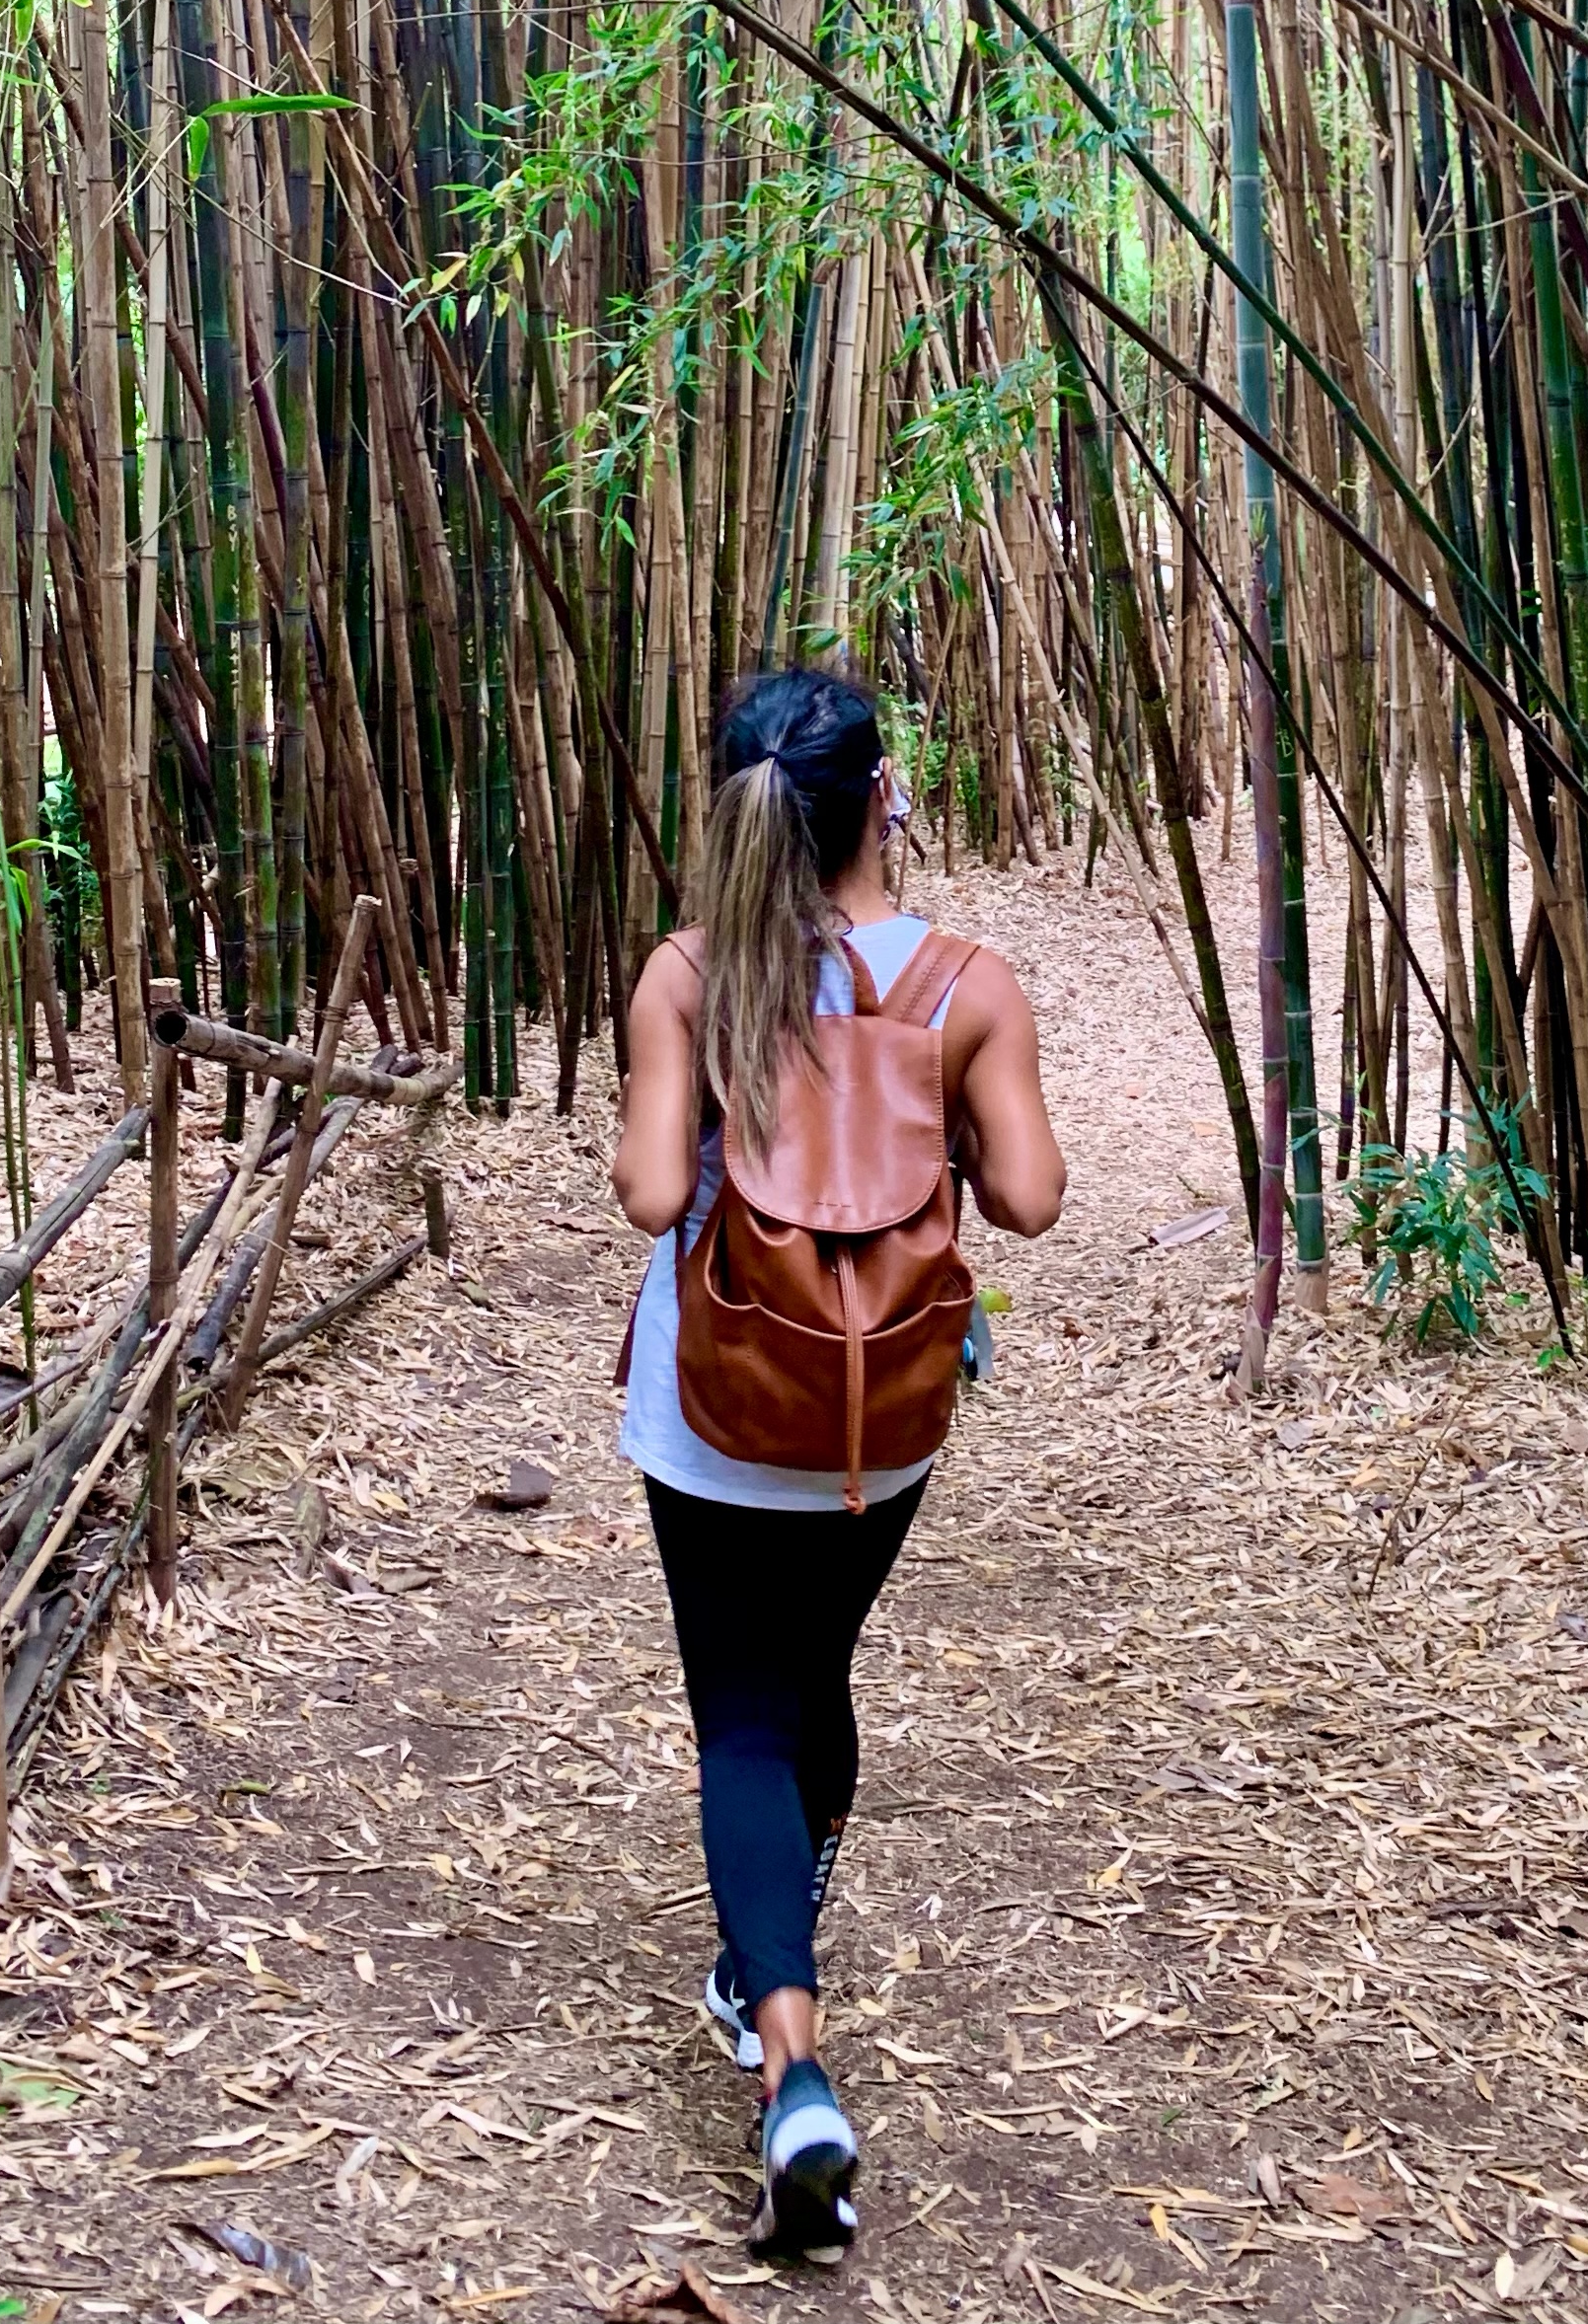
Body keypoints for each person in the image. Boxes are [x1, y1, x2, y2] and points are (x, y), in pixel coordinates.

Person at [613, 666, 1066, 2256]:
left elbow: (652, 1192)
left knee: (743, 1717)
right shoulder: (966, 981)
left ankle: (788, 2063)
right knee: (814, 1679)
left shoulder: (690, 974)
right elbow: (1030, 1199)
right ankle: (769, 1957)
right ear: (882, 798)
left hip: (721, 1399)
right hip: (886, 1419)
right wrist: (914, 1117)